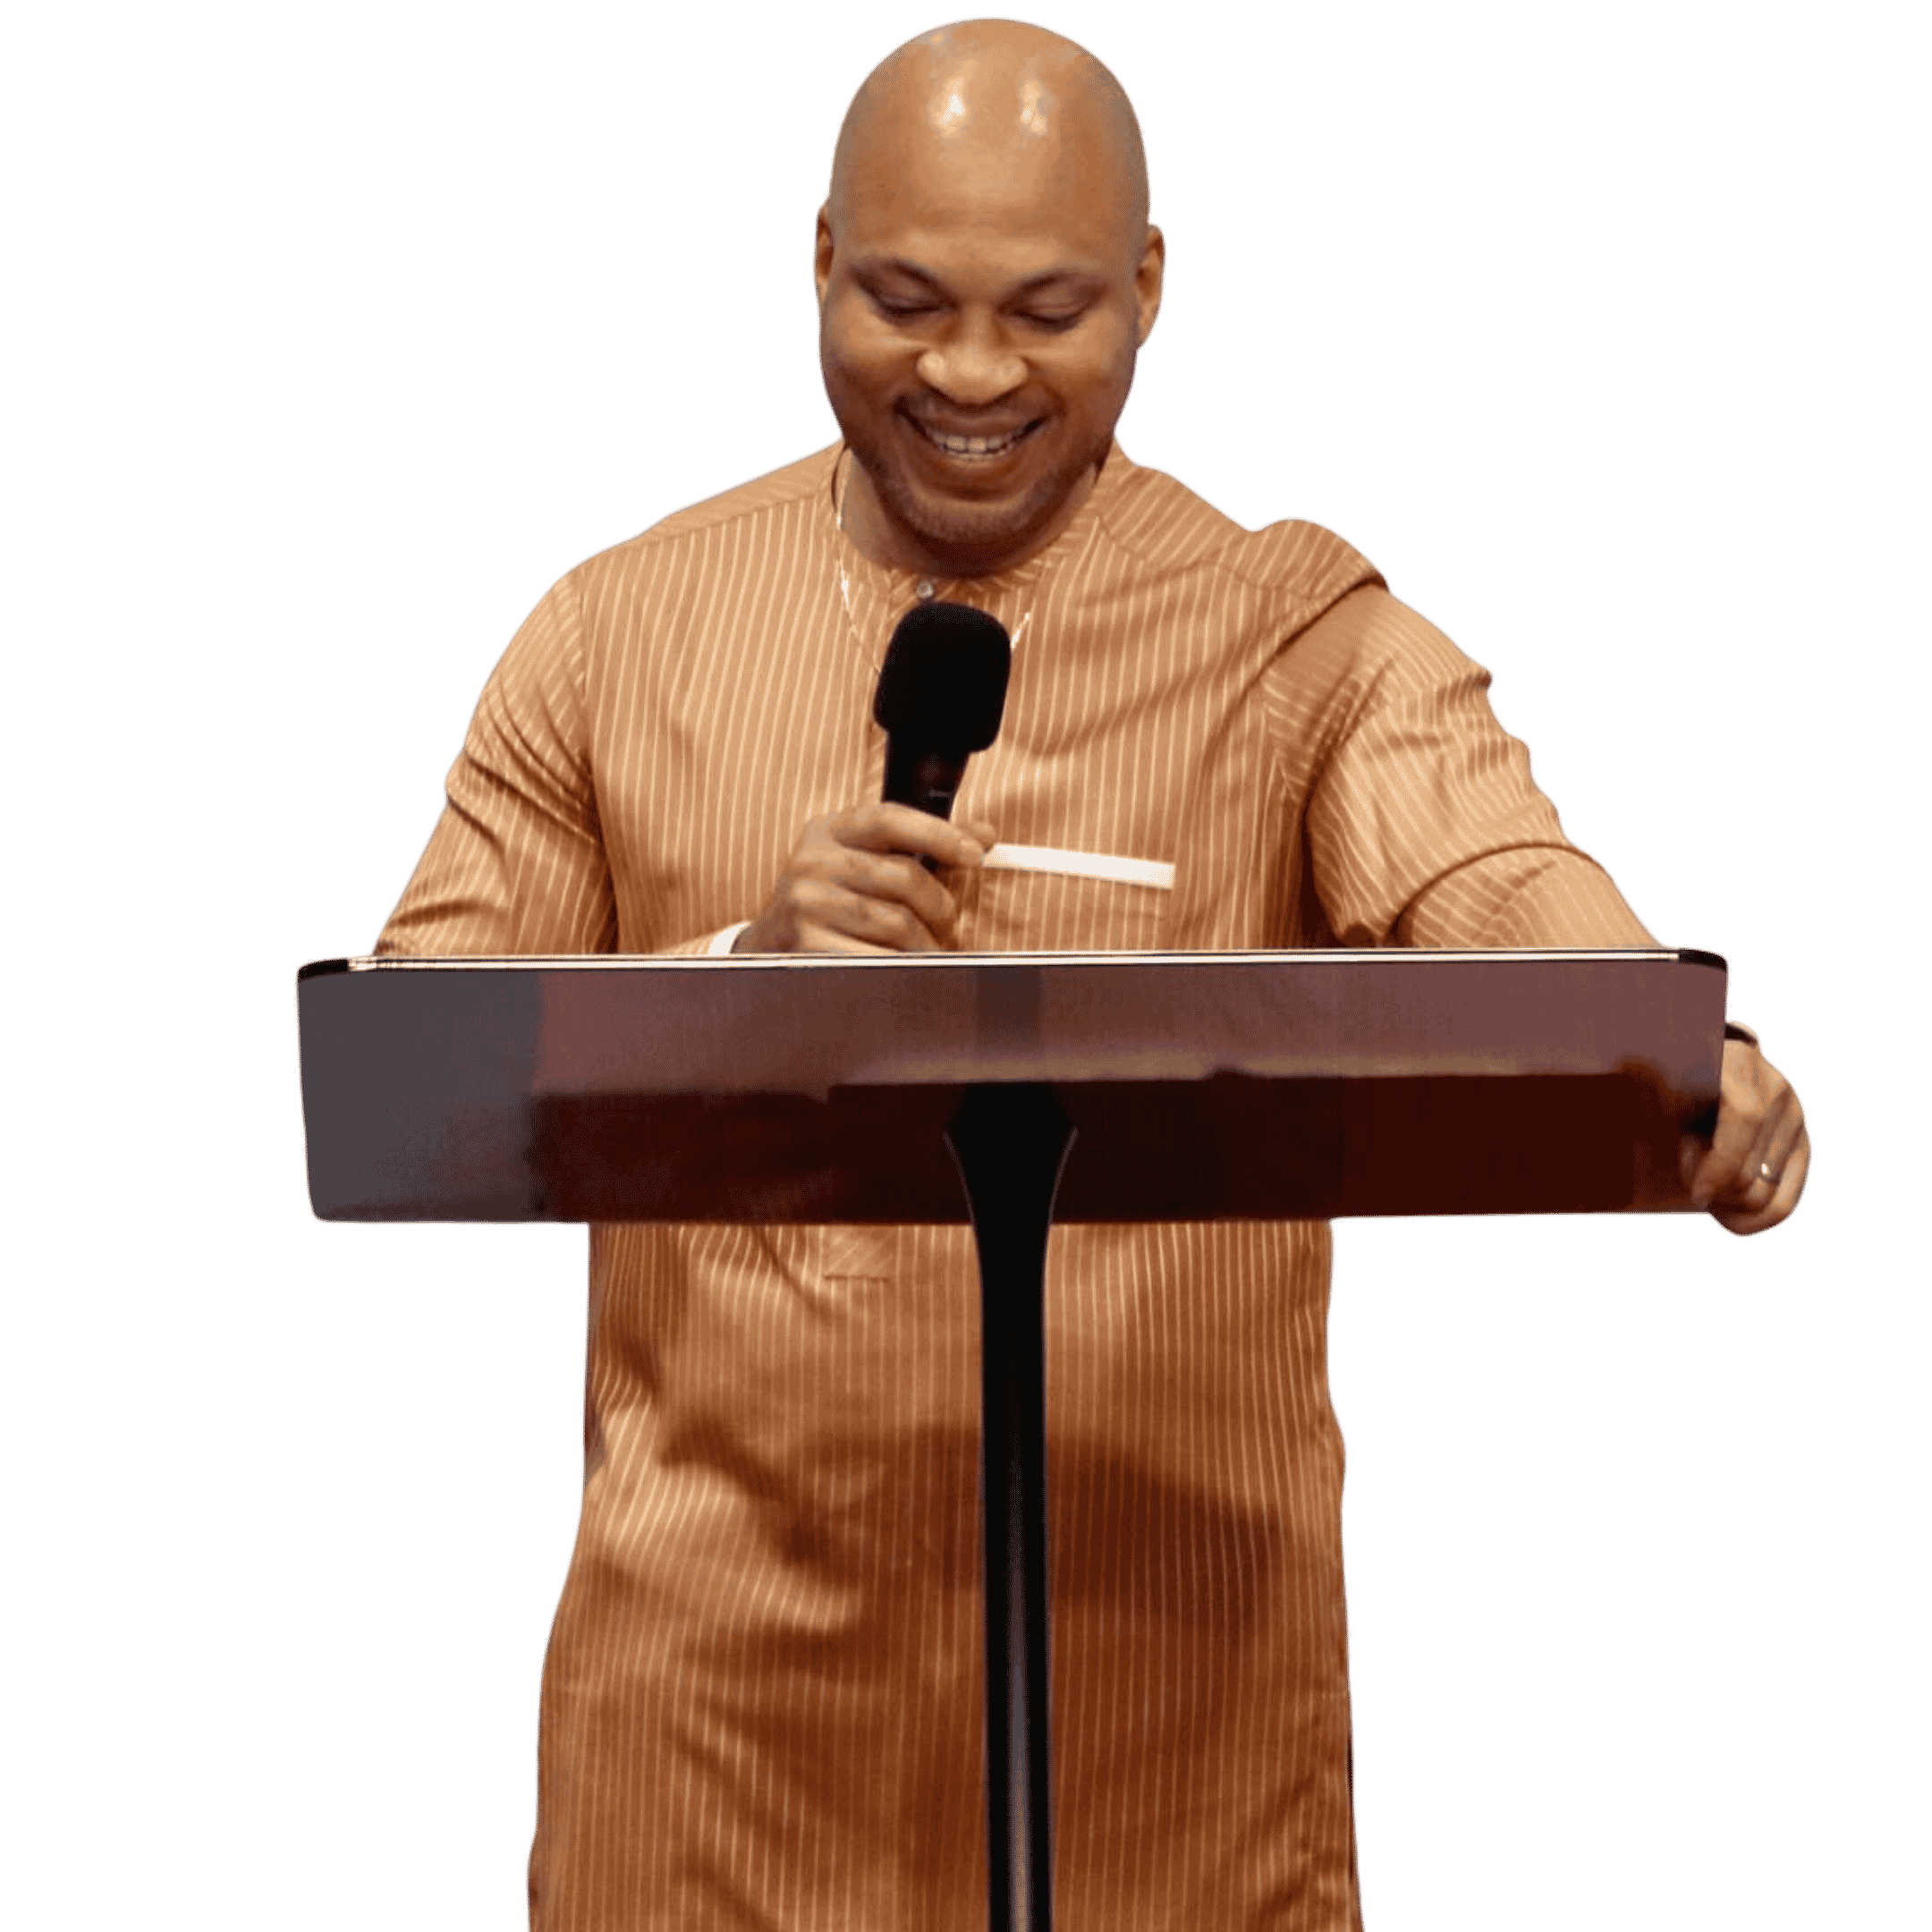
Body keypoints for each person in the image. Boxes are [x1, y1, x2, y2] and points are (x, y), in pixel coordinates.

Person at [374, 18, 1810, 1930]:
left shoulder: (1293, 632)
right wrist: (739, 974)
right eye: (905, 302)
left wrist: (1678, 1046)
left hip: (1172, 1731)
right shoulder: (611, 633)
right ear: (819, 263)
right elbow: (413, 1077)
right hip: (713, 1736)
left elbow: (1490, 872)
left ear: (1148, 287)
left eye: (1046, 312)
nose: (970, 375)